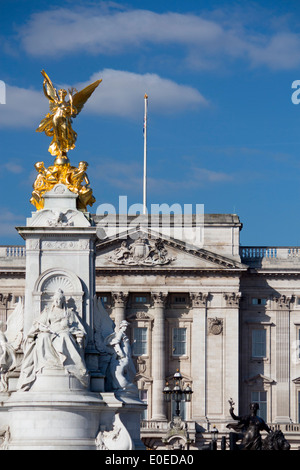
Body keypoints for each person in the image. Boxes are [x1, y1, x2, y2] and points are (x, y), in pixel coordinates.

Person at [17, 289, 88, 391]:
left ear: (63, 300)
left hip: (63, 332)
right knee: (43, 337)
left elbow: (77, 327)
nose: (57, 301)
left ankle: (71, 365)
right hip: (50, 332)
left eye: (59, 299)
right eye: (56, 299)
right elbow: (39, 324)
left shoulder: (69, 313)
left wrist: (75, 333)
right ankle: (47, 364)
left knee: (65, 337)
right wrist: (43, 329)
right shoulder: (47, 311)